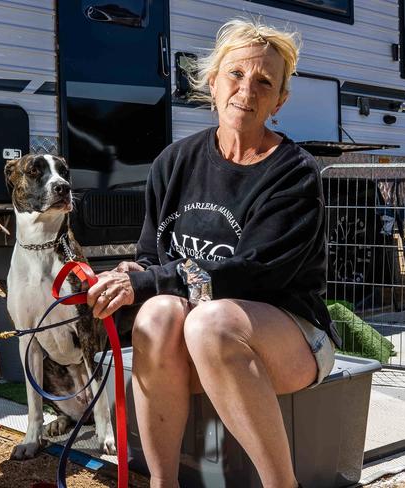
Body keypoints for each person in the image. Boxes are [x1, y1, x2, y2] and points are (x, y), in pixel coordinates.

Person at [86, 18, 339, 488]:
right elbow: (152, 258)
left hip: (292, 336)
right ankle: (164, 483)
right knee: (157, 314)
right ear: (211, 81)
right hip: (199, 342)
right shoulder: (175, 161)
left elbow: (250, 274)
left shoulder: (294, 173)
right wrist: (129, 274)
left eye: (265, 81)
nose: (248, 89)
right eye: (237, 75)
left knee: (209, 321)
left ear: (280, 100)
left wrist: (149, 279)